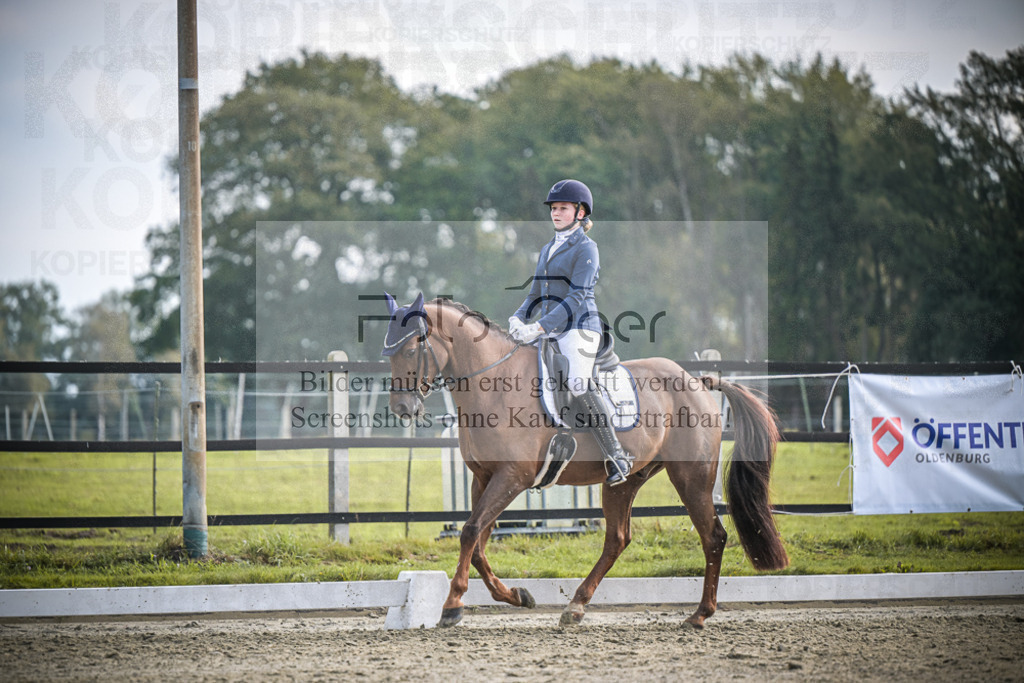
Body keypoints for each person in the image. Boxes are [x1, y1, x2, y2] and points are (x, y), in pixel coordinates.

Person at [508, 179, 632, 486]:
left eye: (563, 207)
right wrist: (517, 318)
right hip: (551, 328)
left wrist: (538, 327)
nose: (556, 212)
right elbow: (535, 293)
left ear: (580, 212)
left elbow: (576, 296)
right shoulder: (548, 248)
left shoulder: (588, 248)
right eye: (553, 208)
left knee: (577, 380)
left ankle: (616, 454)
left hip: (580, 327)